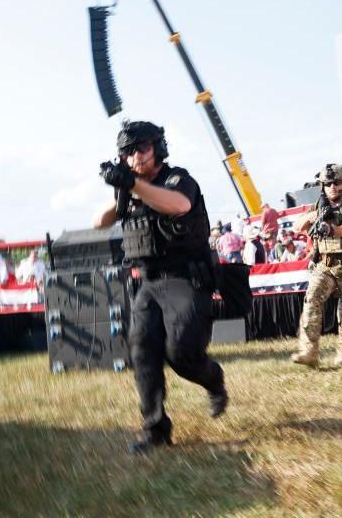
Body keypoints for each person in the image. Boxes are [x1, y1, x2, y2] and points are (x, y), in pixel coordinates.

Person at [94, 120, 228, 454]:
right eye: (128, 152)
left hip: (186, 279)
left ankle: (213, 380)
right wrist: (122, 187)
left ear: (158, 148)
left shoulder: (178, 179)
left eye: (142, 148)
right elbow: (99, 222)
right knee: (141, 350)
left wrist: (134, 185)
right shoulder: (132, 187)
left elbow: (178, 205)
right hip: (150, 282)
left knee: (181, 354)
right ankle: (155, 429)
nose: (135, 156)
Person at [290, 163, 342, 367]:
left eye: (336, 183)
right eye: (327, 184)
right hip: (324, 265)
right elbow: (297, 226)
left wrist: (332, 229)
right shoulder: (318, 207)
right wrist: (314, 216)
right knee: (312, 300)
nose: (332, 187)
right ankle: (309, 352)